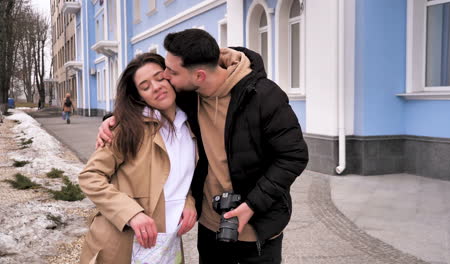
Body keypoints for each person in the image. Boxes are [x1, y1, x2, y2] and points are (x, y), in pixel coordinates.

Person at [97, 29, 309, 264]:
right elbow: (148, 103)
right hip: (210, 228)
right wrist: (113, 119)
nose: (166, 77)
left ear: (198, 75)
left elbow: (294, 155)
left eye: (171, 71)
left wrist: (252, 205)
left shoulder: (264, 96)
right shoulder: (189, 95)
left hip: (258, 228)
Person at [79, 53, 198, 264]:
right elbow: (90, 176)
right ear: (140, 96)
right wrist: (132, 214)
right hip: (122, 243)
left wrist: (189, 202)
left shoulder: (190, 125)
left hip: (168, 243)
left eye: (160, 78)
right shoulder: (128, 129)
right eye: (145, 86)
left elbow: (180, 178)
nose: (156, 87)